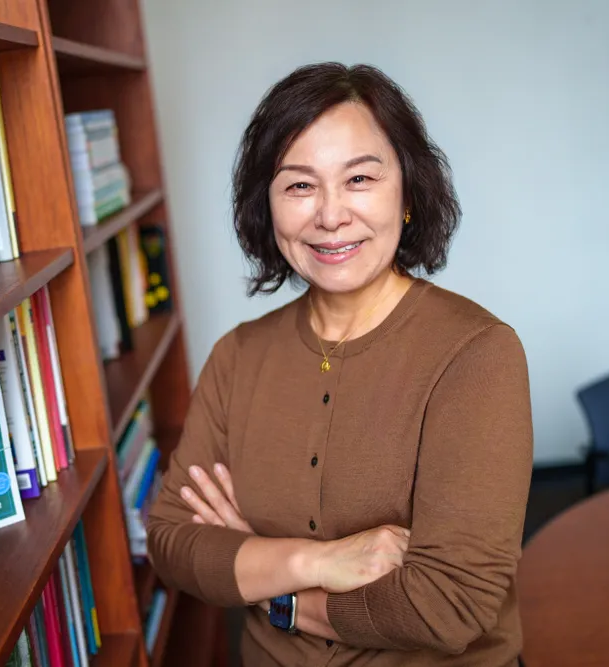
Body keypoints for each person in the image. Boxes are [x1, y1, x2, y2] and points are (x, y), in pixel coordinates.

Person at [145, 62, 533, 667]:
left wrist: (270, 584)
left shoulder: (476, 354)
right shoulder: (237, 357)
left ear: (407, 190)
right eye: (299, 186)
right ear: (266, 206)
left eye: (359, 179)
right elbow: (172, 542)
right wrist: (315, 560)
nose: (329, 216)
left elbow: (448, 604)